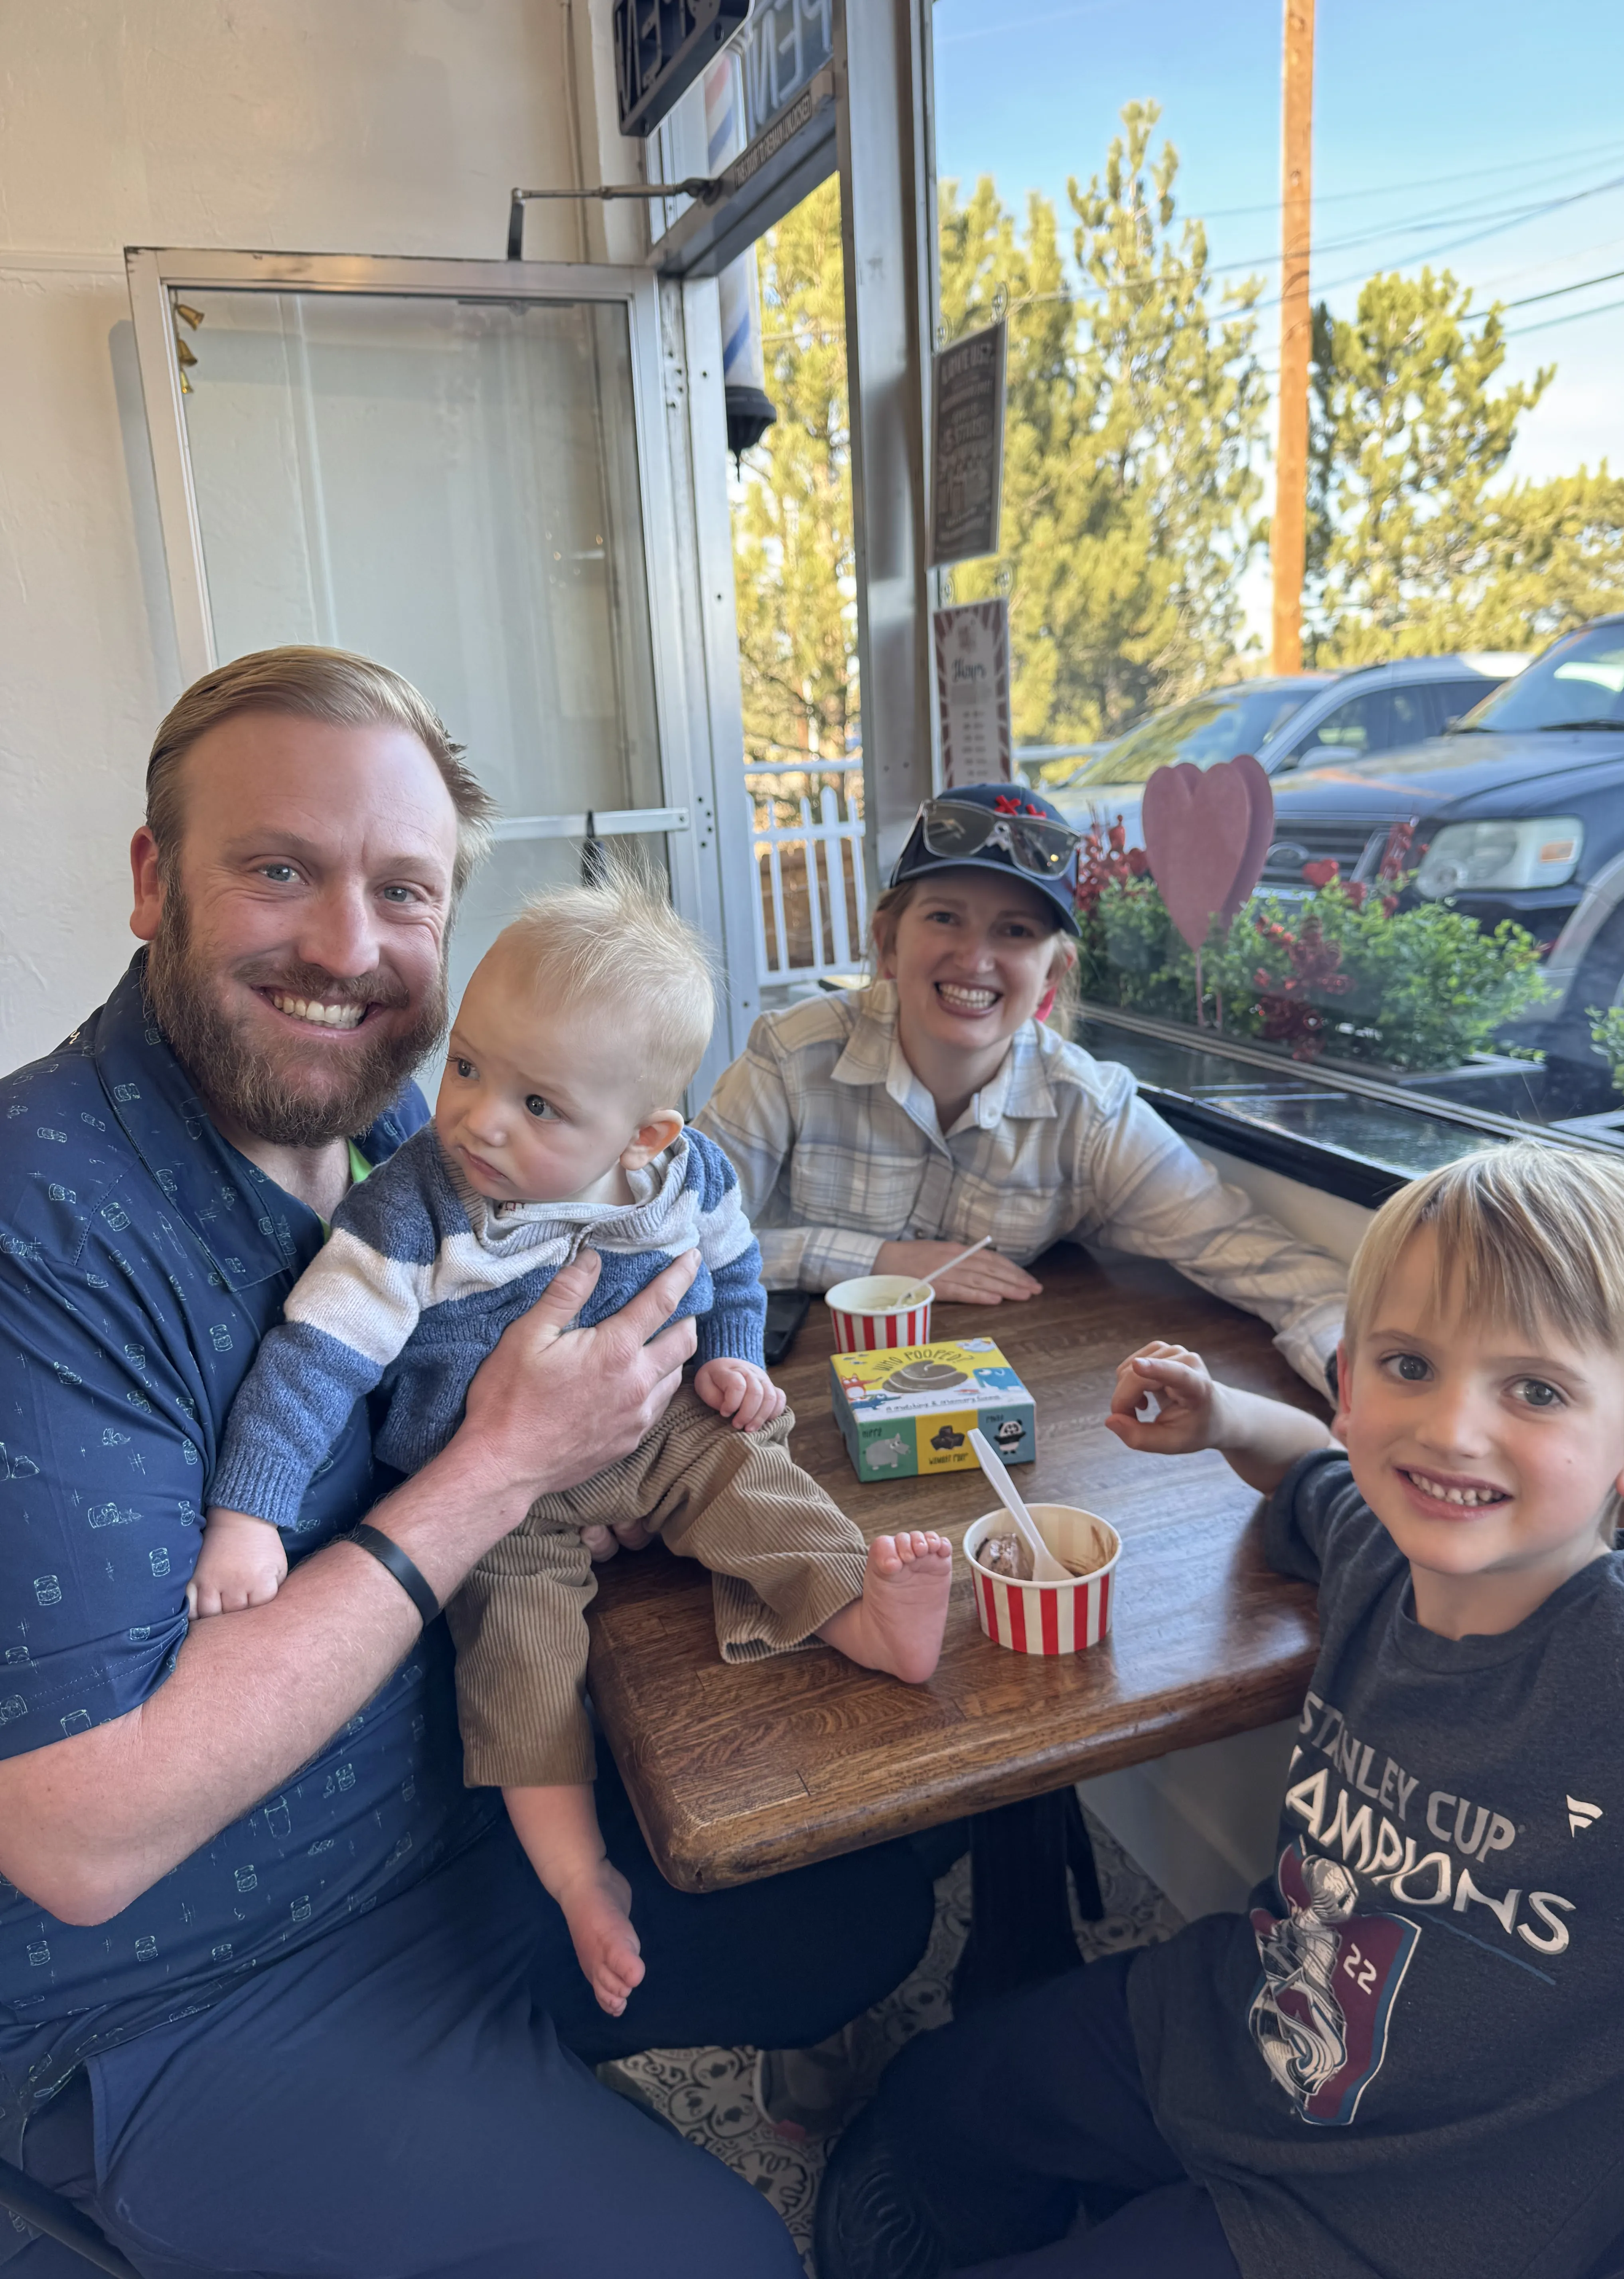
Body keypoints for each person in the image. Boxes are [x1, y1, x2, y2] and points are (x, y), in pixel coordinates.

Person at [0, 647, 935, 2279]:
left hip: (445, 1813)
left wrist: (638, 1443)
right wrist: (502, 1472)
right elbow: (83, 1838)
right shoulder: (45, 1232)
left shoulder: (406, 1139)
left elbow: (657, 1264)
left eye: (405, 893)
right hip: (188, 1983)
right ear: (154, 882)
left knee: (860, 1905)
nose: (348, 950)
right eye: (277, 871)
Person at [817, 1142, 1624, 2279]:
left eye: (1532, 1390)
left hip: (1413, 2216)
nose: (1450, 1430)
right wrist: (1225, 1419)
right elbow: (1311, 1473)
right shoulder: (1383, 1548)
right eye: (1408, 1365)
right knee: (932, 2098)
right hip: (1241, 2029)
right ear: (1349, 1384)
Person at [194, 873, 953, 2019]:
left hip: (658, 1426)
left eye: (539, 1106)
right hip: (494, 1487)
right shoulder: (418, 1210)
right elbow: (313, 1357)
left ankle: (861, 1610)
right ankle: (575, 1870)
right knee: (518, 1654)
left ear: (644, 1133)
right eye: (466, 1067)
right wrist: (246, 1512)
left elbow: (732, 1264)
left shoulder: (683, 1177)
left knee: (761, 1478)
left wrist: (732, 1361)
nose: (479, 1119)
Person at [697, 782, 1346, 1395]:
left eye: (1015, 931)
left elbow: (1266, 1264)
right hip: (763, 1398)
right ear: (888, 943)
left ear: (1052, 975)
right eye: (945, 917)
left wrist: (1364, 1384)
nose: (975, 959)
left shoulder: (1089, 1113)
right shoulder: (789, 1055)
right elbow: (670, 1239)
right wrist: (878, 1259)